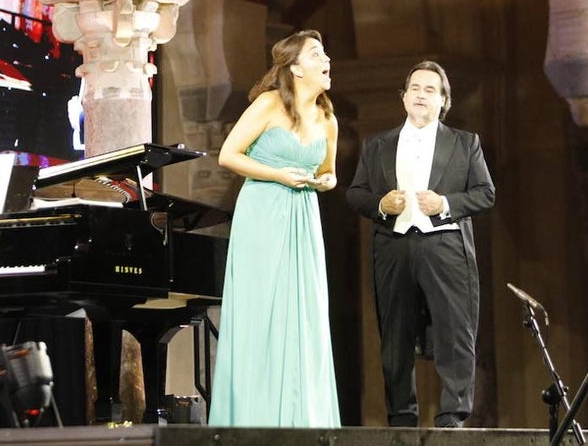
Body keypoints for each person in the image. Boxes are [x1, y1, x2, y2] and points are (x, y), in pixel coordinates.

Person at [346, 60, 495, 428]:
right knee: (394, 337)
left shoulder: (464, 143)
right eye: (415, 88)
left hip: (445, 245)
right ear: (404, 97)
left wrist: (444, 204)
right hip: (394, 246)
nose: (421, 95)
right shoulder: (377, 143)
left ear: (443, 100)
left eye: (430, 90)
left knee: (454, 332)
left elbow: (486, 193)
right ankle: (401, 418)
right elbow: (355, 193)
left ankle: (452, 418)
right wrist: (382, 204)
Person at [207, 29, 341, 427]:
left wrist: (326, 181)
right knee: (262, 312)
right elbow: (228, 155)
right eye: (317, 54)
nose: (326, 60)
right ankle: (253, 417)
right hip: (262, 213)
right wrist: (278, 176)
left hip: (304, 216)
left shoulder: (328, 118)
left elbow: (329, 170)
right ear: (296, 67)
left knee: (304, 313)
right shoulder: (268, 104)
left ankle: (304, 419)